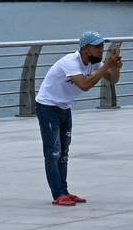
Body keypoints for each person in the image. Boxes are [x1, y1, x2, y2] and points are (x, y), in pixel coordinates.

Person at [34, 30, 122, 205]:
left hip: (64, 107)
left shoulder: (94, 63)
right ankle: (58, 195)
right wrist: (106, 66)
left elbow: (112, 80)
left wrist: (116, 68)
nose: (101, 50)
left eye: (102, 46)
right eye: (97, 47)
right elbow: (84, 85)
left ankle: (64, 191)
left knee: (64, 153)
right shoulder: (70, 62)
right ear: (85, 48)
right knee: (53, 152)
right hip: (47, 107)